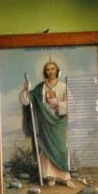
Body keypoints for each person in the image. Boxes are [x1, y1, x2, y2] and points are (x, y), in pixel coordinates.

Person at [20, 58, 77, 187]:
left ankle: (65, 177)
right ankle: (50, 176)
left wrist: (58, 104)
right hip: (45, 122)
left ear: (57, 70)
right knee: (46, 149)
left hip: (59, 122)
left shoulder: (63, 86)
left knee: (62, 149)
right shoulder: (40, 87)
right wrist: (26, 90)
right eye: (47, 69)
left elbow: (72, 105)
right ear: (45, 72)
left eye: (52, 69)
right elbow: (27, 101)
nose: (50, 71)